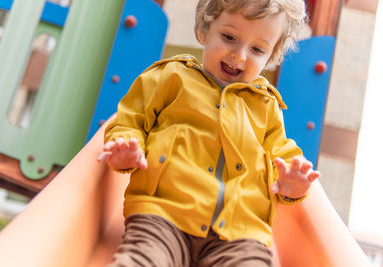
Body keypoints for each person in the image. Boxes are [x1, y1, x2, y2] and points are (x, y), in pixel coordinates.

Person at [98, 0, 320, 266]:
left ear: (271, 56)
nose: (239, 55)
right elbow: (129, 121)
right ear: (205, 28)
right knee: (142, 261)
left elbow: (281, 154)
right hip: (163, 215)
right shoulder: (171, 77)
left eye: (257, 49)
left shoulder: (266, 104)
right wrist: (124, 147)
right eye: (229, 37)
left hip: (239, 233)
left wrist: (292, 185)